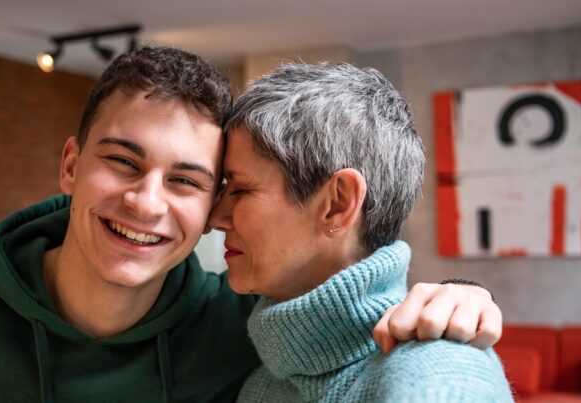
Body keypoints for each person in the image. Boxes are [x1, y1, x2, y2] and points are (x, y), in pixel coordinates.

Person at [0, 47, 501, 403]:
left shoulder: (238, 331)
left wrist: (461, 304)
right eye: (122, 161)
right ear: (71, 164)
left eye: (193, 183)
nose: (148, 203)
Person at [209, 62, 513, 402]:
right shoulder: (262, 381)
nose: (215, 217)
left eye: (239, 190)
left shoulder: (439, 369)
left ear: (338, 203)